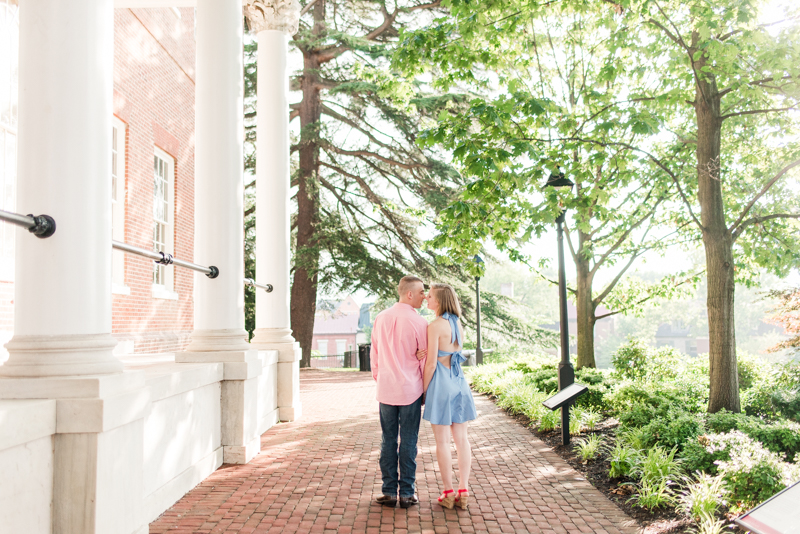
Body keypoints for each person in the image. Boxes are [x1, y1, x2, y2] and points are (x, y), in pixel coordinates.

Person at [370, 275, 429, 508]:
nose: (425, 296)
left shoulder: (380, 318)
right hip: (411, 389)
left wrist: (381, 377)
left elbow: (375, 355)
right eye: (422, 292)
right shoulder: (420, 323)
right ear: (410, 294)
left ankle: (388, 491)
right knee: (409, 440)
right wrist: (424, 390)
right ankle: (406, 492)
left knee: (388, 440)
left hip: (386, 389)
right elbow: (424, 360)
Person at [422, 283, 477, 510]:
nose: (427, 298)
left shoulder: (435, 326)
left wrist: (425, 391)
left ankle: (447, 492)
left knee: (442, 442)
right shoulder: (457, 325)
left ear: (440, 301)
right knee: (462, 440)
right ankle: (463, 490)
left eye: (431, 296)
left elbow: (432, 363)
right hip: (460, 384)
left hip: (442, 385)